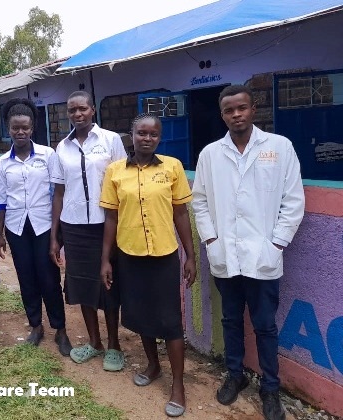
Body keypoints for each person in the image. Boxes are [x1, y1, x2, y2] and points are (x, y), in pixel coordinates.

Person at [191, 84, 305, 420]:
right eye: (229, 110)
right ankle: (235, 375)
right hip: (225, 254)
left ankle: (270, 388)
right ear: (222, 114)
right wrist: (211, 241)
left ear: (253, 109)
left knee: (265, 326)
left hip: (263, 256)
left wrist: (277, 244)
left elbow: (293, 200)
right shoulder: (210, 154)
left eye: (242, 108)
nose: (236, 114)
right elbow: (200, 201)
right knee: (230, 320)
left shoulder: (279, 147)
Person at [100, 113, 195, 417]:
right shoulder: (115, 171)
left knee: (170, 321)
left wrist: (190, 256)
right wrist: (105, 259)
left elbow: (181, 213)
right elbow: (111, 217)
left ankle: (177, 385)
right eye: (141, 133)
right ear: (131, 135)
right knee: (141, 315)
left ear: (159, 137)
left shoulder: (172, 167)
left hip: (164, 256)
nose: (147, 138)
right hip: (130, 255)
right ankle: (153, 365)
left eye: (153, 134)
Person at [49, 90, 127, 371]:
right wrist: (55, 236)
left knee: (108, 284)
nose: (77, 114)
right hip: (74, 227)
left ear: (92, 109)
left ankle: (114, 345)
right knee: (81, 285)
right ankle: (95, 342)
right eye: (72, 110)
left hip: (106, 224)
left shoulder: (111, 140)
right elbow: (59, 192)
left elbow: (122, 182)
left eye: (82, 108)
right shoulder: (62, 148)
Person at [0, 98, 72, 356]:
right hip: (16, 228)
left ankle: (60, 329)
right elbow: (1, 201)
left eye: (25, 127)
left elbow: (57, 193)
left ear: (32, 128)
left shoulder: (48, 155)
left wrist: (57, 233)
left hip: (43, 226)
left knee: (49, 278)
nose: (20, 132)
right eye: (15, 128)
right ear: (9, 128)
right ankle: (36, 326)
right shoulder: (3, 163)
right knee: (26, 278)